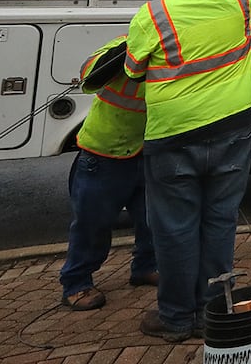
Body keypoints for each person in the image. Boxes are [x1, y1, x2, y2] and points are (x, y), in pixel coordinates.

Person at [124, 0, 251, 343]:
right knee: (220, 221)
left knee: (175, 228)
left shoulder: (153, 15)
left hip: (174, 135)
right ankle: (214, 310)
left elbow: (133, 70)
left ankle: (177, 318)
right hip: (234, 126)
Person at [58, 34, 157, 310]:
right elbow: (88, 75)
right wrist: (125, 51)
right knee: (93, 223)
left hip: (145, 150)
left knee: (152, 218)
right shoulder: (127, 43)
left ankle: (146, 267)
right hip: (105, 151)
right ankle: (76, 283)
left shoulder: (176, 54)